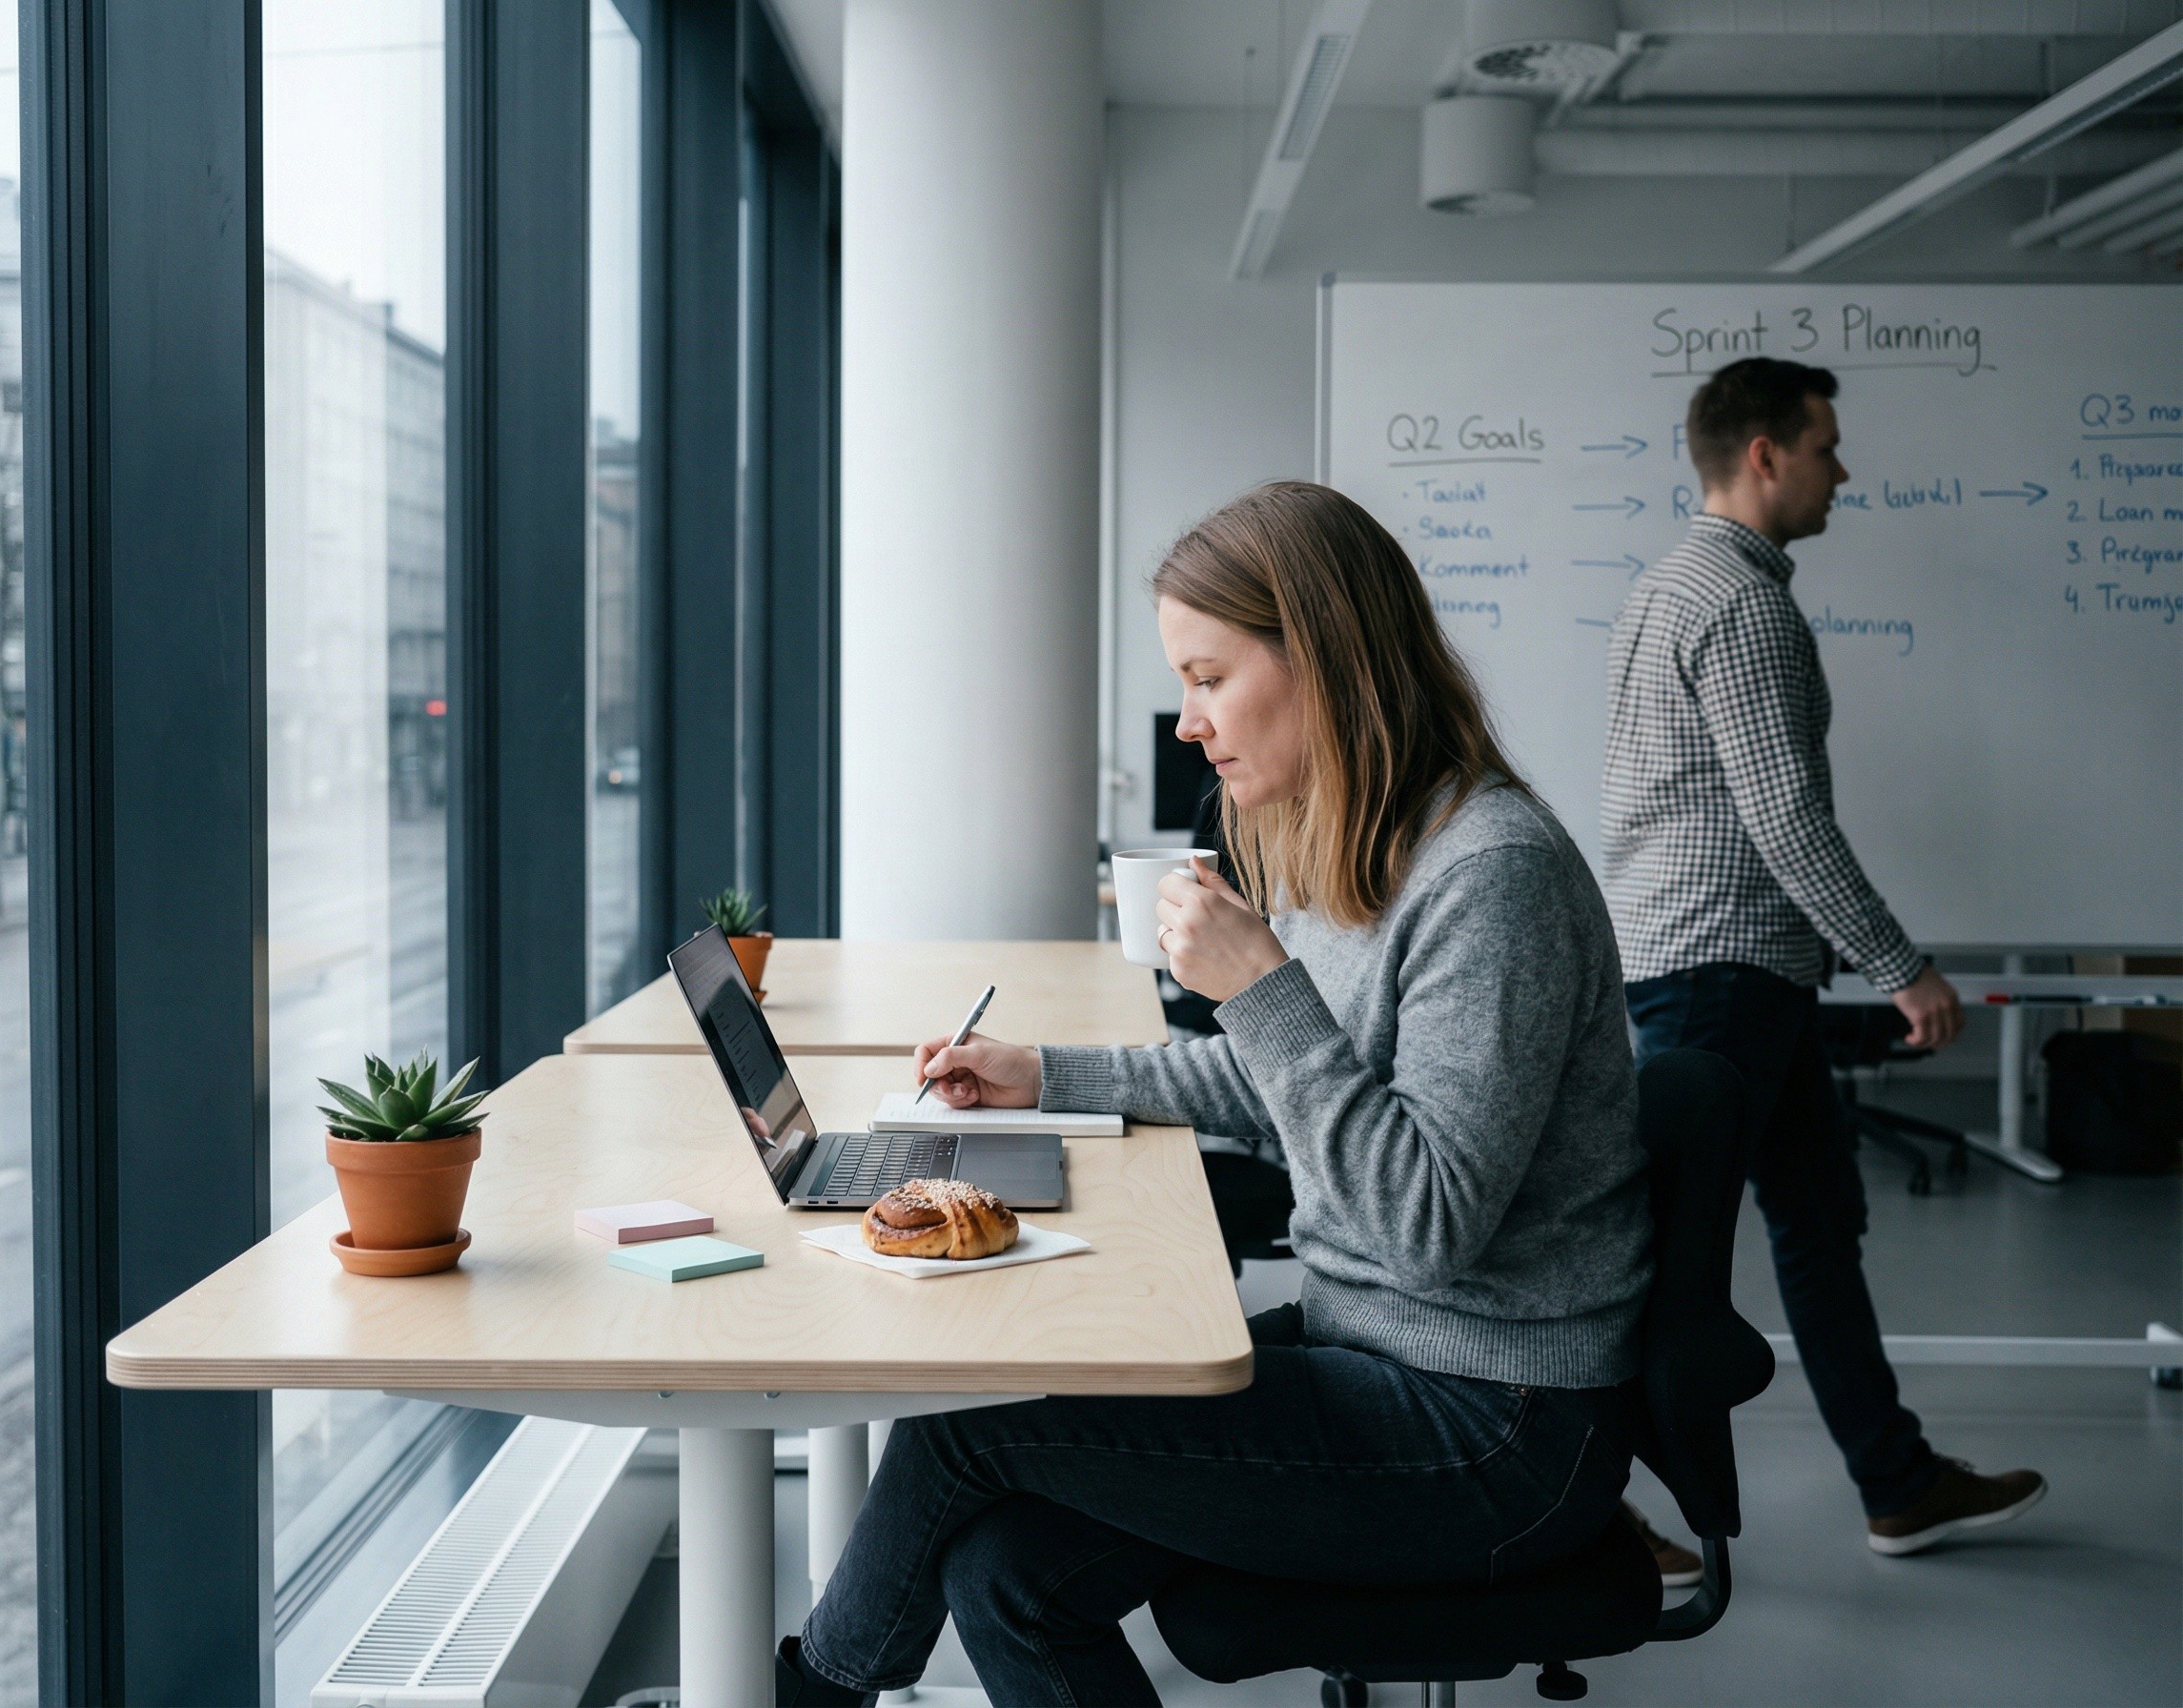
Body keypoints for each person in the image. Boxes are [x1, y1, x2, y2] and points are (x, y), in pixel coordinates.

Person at [775, 481, 1654, 1707]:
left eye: (1207, 677)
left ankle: (814, 1694)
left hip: (1496, 1424)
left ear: (1326, 661)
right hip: (1381, 1351)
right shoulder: (1366, 844)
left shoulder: (1491, 877)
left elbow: (1427, 1223)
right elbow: (1278, 1077)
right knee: (1008, 1568)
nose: (1188, 724)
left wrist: (1261, 987)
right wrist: (1045, 1075)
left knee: (970, 1411)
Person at [1602, 356, 2046, 1557]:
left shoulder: (1666, 585)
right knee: (1665, 1259)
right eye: (1825, 446)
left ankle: (1896, 1480)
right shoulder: (1741, 605)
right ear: (1764, 455)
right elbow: (1785, 816)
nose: (1842, 472)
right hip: (1721, 971)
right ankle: (1582, 1514)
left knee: (1815, 1218)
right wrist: (1902, 965)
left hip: (1732, 966)